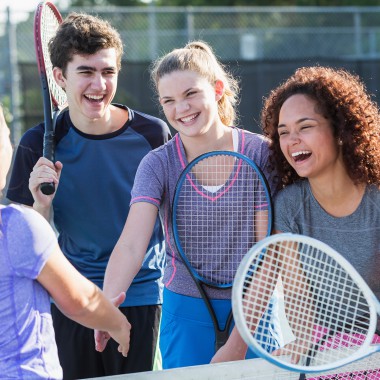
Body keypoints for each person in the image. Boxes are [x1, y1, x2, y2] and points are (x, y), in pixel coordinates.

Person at [95, 40, 283, 369]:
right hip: (185, 310)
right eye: (169, 101)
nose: (181, 108)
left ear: (218, 89)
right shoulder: (157, 164)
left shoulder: (262, 154)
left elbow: (268, 253)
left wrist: (240, 339)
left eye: (190, 94)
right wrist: (106, 306)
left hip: (256, 308)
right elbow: (131, 245)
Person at [6, 12, 171, 380]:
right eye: (86, 72)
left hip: (141, 297)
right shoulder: (37, 145)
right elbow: (25, 245)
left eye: (108, 71)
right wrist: (41, 205)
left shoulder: (153, 135)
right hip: (70, 299)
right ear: (60, 77)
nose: (99, 84)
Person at [0, 104, 131, 379]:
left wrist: (41, 206)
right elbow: (80, 300)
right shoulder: (16, 225)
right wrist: (118, 323)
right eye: (5, 132)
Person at [260, 65, 380, 336]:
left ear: (340, 130)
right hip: (327, 351)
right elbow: (298, 300)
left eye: (306, 127)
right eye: (283, 132)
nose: (293, 141)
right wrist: (312, 345)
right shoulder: (289, 206)